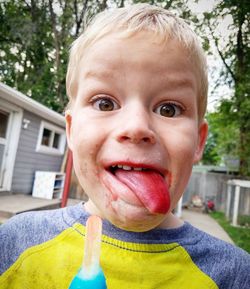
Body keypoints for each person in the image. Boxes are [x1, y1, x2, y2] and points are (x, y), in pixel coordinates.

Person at [0, 4, 249, 289]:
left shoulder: (235, 276)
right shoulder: (15, 245)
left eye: (169, 109)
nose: (136, 127)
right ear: (71, 130)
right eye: (105, 103)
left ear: (198, 141)